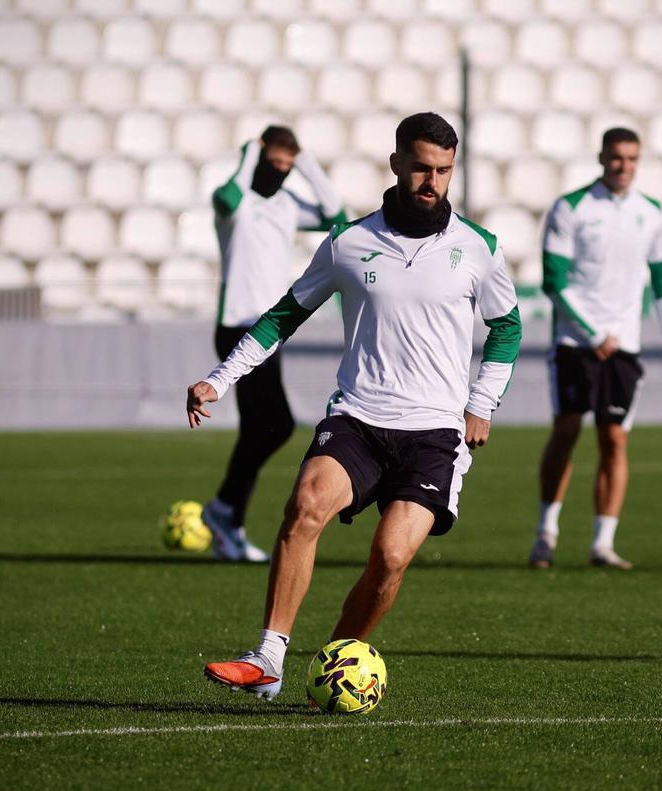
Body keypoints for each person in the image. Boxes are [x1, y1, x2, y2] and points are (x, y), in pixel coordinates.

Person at [185, 112, 522, 700]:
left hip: (434, 434)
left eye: (444, 171)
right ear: (396, 163)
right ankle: (268, 658)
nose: (432, 182)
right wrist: (221, 379)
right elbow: (284, 316)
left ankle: (335, 661)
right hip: (358, 419)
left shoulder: (479, 248)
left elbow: (507, 328)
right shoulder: (348, 242)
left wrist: (482, 403)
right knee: (306, 504)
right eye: (421, 167)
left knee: (389, 557)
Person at [529, 128, 662, 570]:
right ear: (601, 158)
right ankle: (546, 532)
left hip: (624, 347)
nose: (624, 166)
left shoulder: (651, 213)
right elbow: (554, 281)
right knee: (566, 430)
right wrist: (593, 333)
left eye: (632, 159)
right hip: (576, 343)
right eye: (617, 157)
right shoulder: (572, 207)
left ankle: (603, 543)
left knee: (614, 438)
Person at [202, 125, 347, 562]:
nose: (279, 172)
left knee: (261, 428)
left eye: (287, 166)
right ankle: (225, 512)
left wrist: (307, 164)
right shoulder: (238, 201)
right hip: (238, 328)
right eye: (274, 163)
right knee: (275, 425)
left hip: (271, 330)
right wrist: (249, 154)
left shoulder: (286, 204)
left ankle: (226, 516)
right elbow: (226, 199)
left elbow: (337, 216)